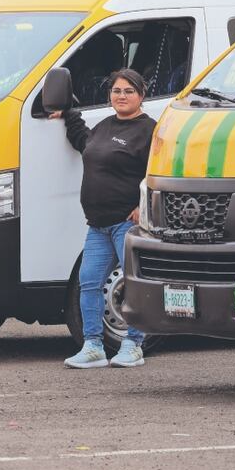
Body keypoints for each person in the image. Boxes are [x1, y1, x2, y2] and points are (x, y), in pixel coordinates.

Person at [50, 68, 156, 368]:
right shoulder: (105, 126)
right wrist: (68, 112)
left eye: (128, 91)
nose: (121, 96)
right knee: (89, 283)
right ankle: (93, 346)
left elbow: (160, 171)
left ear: (141, 95)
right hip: (97, 226)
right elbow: (83, 142)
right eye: (116, 91)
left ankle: (134, 345)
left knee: (135, 285)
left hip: (127, 224)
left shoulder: (150, 130)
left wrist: (143, 206)